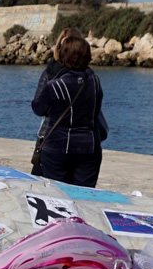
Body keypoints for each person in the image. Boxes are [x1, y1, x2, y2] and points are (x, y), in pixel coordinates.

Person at [30, 33, 107, 187]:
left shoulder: (55, 85)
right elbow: (97, 108)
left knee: (59, 195)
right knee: (85, 196)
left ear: (64, 56)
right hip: (89, 147)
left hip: (57, 148)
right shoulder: (95, 81)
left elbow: (38, 108)